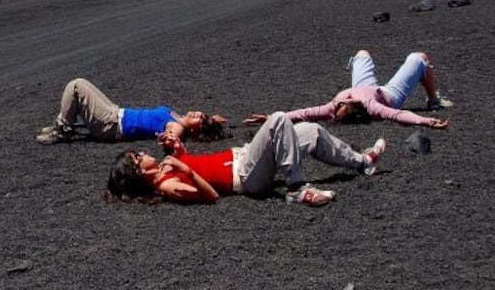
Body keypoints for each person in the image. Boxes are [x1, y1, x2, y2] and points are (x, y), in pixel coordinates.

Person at [105, 112, 386, 207]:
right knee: (278, 120)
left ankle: (362, 162)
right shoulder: (166, 185)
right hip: (246, 176)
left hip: (247, 158)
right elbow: (211, 195)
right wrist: (183, 169)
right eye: (136, 157)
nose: (142, 154)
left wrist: (178, 149)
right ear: (138, 172)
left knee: (310, 131)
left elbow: (193, 162)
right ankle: (296, 189)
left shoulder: (168, 165)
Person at [243, 50, 451, 129]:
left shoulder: (331, 108)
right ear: (353, 104)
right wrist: (425, 120)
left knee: (362, 54)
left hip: (363, 85)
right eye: (342, 105)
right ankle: (434, 100)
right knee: (419, 58)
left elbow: (301, 114)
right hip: (388, 95)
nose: (337, 103)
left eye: (338, 105)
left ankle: (359, 60)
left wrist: (272, 118)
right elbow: (398, 114)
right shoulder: (371, 106)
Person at [36, 77, 228, 145]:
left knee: (77, 85)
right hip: (116, 112)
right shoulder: (177, 116)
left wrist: (169, 140)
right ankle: (63, 125)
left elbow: (172, 138)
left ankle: (62, 130)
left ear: (195, 130)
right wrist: (214, 120)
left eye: (201, 121)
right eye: (203, 114)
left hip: (111, 124)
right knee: (83, 86)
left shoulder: (176, 126)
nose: (198, 115)